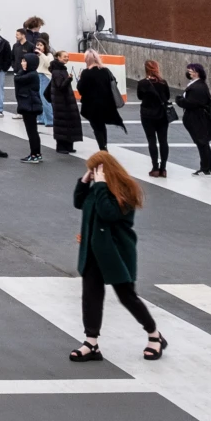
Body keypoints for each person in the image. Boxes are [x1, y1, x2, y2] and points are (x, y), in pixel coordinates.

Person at [67, 151, 166, 364]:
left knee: (127, 296)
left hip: (116, 253)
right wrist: (84, 181)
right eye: (90, 171)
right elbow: (79, 202)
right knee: (91, 296)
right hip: (93, 251)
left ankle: (154, 335)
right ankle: (91, 342)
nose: (92, 175)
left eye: (95, 170)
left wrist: (101, 185)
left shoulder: (125, 191)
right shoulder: (96, 189)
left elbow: (108, 213)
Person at [76, 50, 124, 151]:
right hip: (106, 103)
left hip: (91, 104)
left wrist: (80, 79)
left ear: (86, 59)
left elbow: (81, 89)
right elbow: (114, 82)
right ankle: (104, 145)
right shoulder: (105, 70)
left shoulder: (85, 73)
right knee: (102, 125)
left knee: (96, 127)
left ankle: (102, 148)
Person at [179, 63, 211, 176]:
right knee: (203, 143)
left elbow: (191, 103)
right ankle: (208, 166)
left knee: (202, 143)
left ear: (197, 72)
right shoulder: (199, 85)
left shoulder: (198, 87)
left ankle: (205, 167)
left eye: (190, 71)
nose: (188, 72)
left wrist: (180, 101)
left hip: (197, 118)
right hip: (198, 117)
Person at [135, 61, 173, 178]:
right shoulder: (163, 82)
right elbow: (167, 96)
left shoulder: (142, 83)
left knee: (151, 140)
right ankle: (164, 168)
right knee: (163, 141)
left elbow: (140, 97)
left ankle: (155, 167)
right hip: (162, 115)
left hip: (147, 115)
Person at [48, 54, 82, 154]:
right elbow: (60, 86)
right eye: (64, 56)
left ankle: (68, 145)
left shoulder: (62, 69)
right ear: (58, 58)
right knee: (62, 123)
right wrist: (69, 79)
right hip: (61, 101)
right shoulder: (57, 71)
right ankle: (61, 146)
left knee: (68, 122)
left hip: (65, 101)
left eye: (67, 56)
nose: (66, 58)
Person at [14, 48, 45, 162]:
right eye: (22, 61)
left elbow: (18, 78)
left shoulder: (31, 75)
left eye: (25, 61)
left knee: (32, 131)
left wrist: (19, 72)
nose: (23, 63)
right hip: (29, 105)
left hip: (30, 106)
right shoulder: (31, 73)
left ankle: (34, 154)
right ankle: (36, 153)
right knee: (32, 131)